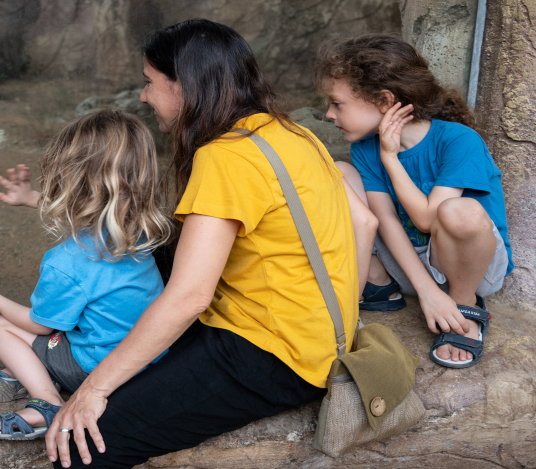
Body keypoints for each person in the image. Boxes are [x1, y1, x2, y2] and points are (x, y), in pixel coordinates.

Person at [44, 19, 360, 468]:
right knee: (158, 249)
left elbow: (190, 296)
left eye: (150, 83)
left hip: (273, 354)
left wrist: (93, 390)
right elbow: (360, 220)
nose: (143, 96)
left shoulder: (225, 156)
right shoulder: (289, 133)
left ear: (184, 86)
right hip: (311, 335)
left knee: (81, 446)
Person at [0, 110, 172, 440]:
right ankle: (35, 369)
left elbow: (42, 325)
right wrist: (30, 199)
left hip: (95, 367)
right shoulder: (140, 230)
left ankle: (47, 401)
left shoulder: (67, 262)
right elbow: (90, 209)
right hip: (145, 360)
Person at [314, 34, 513, 368]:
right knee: (339, 174)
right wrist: (426, 292)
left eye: (337, 103)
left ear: (382, 99)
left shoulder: (458, 140)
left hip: (471, 269)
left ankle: (463, 305)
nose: (329, 114)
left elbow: (427, 220)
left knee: (457, 211)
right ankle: (379, 284)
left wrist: (391, 159)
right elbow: (386, 221)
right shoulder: (364, 149)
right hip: (412, 267)